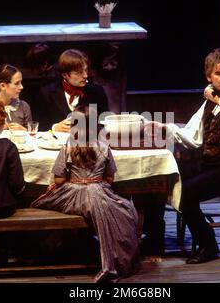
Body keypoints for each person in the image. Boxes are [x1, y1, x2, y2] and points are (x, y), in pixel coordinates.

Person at [146, 49, 220, 264]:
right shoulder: (212, 100)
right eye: (219, 73)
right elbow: (194, 136)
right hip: (208, 165)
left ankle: (208, 244)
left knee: (187, 193)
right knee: (159, 176)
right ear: (209, 76)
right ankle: (153, 240)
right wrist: (165, 128)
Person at [31, 105, 139, 283]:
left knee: (37, 203)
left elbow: (58, 179)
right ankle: (114, 260)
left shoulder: (68, 146)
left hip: (72, 195)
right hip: (99, 191)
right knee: (126, 210)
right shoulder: (104, 147)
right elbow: (110, 177)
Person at [34, 49, 109, 132]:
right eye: (79, 72)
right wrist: (55, 127)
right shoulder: (46, 93)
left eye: (86, 70)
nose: (85, 75)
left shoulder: (97, 91)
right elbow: (38, 125)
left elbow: (105, 123)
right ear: (65, 75)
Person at [0, 64, 32, 131]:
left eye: (21, 82)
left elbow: (32, 134)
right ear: (3, 86)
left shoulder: (24, 106)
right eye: (17, 83)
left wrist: (24, 130)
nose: (21, 87)